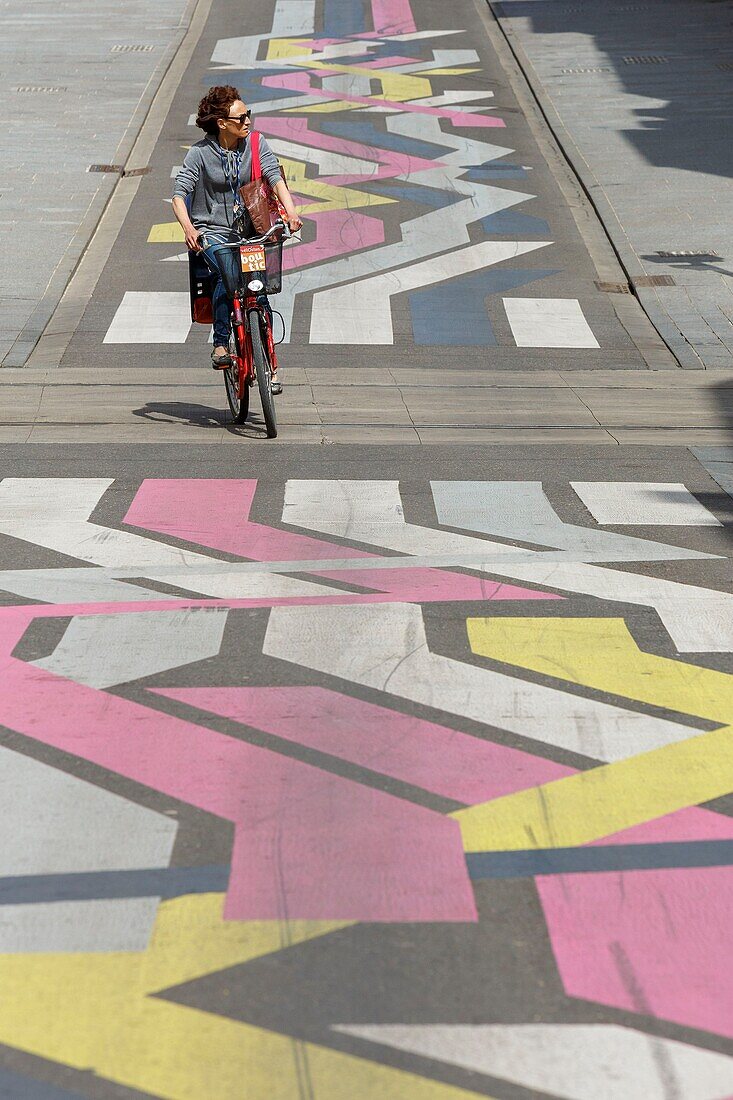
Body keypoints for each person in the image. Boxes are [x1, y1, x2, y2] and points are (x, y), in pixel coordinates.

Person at [172, 85, 302, 390]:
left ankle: (268, 361)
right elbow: (179, 195)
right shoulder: (199, 154)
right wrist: (190, 230)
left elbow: (274, 177)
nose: (248, 121)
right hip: (213, 232)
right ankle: (220, 344)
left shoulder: (256, 144)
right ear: (222, 123)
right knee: (228, 275)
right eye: (241, 117)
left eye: (248, 115)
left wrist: (291, 212)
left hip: (251, 230)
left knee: (259, 286)